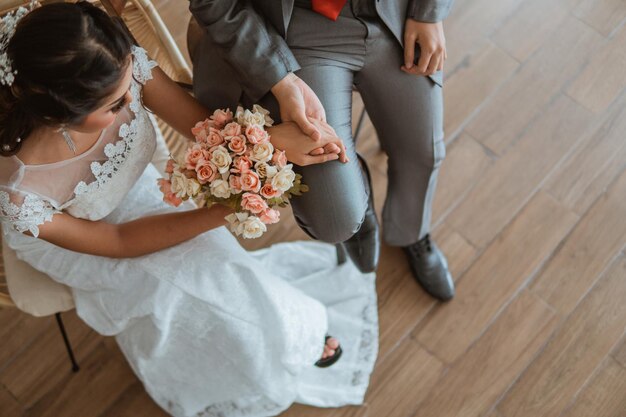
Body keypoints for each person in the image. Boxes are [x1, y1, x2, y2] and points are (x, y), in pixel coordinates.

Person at [0, 3, 378, 416]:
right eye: (114, 106)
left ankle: (278, 337)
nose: (131, 99)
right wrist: (223, 212)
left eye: (130, 85)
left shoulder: (117, 65)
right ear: (59, 116)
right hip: (83, 243)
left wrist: (274, 145)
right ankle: (244, 354)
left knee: (217, 265)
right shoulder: (20, 193)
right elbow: (118, 240)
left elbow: (201, 130)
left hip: (132, 192)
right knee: (174, 291)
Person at [190, 0, 456, 300]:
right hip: (297, 31)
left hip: (397, 12)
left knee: (424, 155)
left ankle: (412, 233)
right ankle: (358, 187)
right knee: (334, 220)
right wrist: (279, 77)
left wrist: (429, 13)